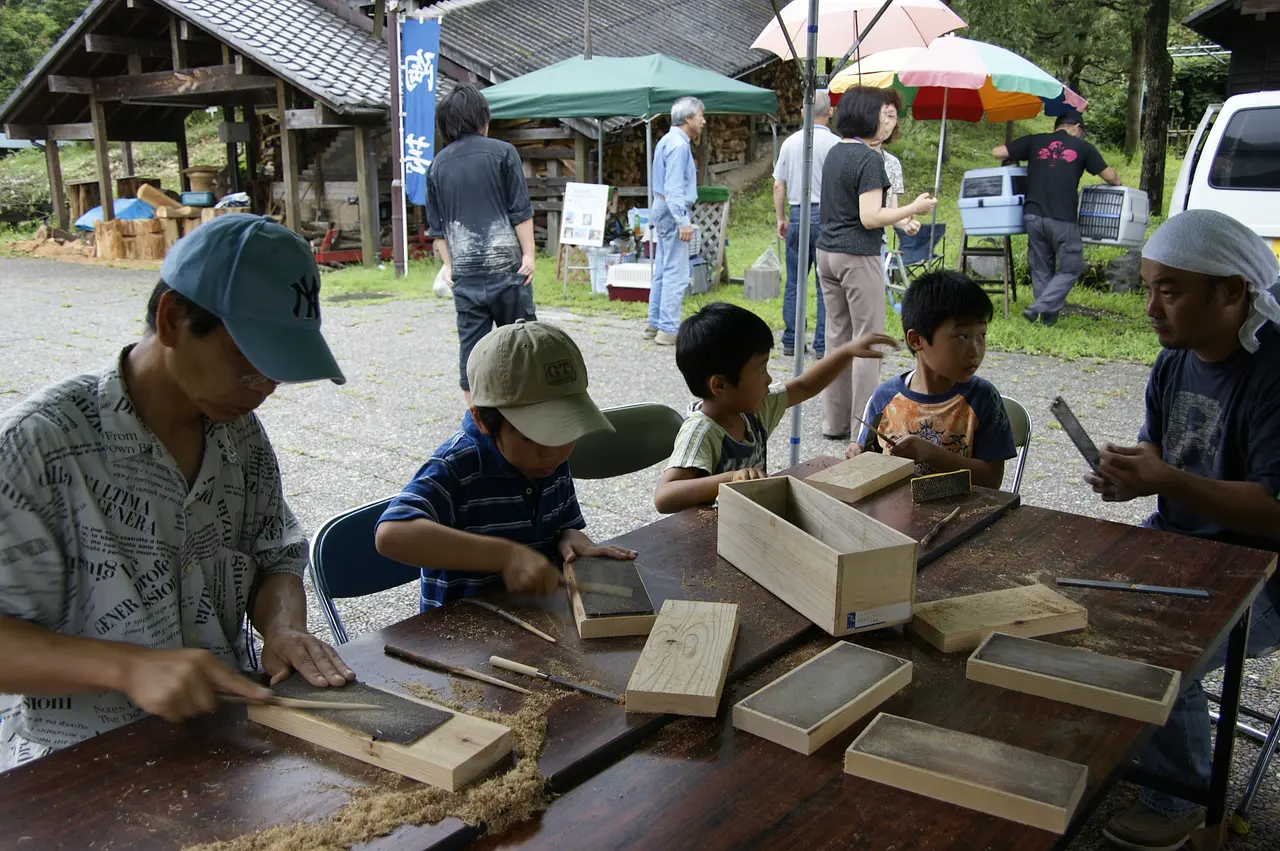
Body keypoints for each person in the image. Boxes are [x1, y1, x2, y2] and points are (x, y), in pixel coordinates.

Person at [0, 214, 355, 772]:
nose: (262, 392)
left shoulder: (237, 430)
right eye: (247, 366)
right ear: (172, 320)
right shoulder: (39, 446)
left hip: (229, 731)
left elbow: (275, 553)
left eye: (276, 374)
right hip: (79, 763)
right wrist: (127, 667)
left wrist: (283, 626)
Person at [1084, 210, 1280, 851]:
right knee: (1077, 611)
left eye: (1168, 290)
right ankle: (1134, 748)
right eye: (1147, 288)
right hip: (1180, 540)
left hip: (1265, 572)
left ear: (1231, 292)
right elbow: (1157, 454)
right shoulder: (1175, 363)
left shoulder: (1273, 375)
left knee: (1159, 646)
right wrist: (1131, 475)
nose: (1151, 308)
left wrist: (1165, 480)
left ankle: (1181, 803)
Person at [375, 321, 636, 609]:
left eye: (565, 432)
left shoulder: (550, 461)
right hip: (461, 638)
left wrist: (571, 538)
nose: (552, 452)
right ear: (482, 420)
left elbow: (563, 527)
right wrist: (506, 556)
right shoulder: (458, 467)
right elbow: (391, 535)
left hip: (536, 617)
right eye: (531, 437)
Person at [654, 303, 897, 514]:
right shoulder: (701, 431)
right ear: (719, 385)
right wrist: (730, 479)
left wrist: (846, 352)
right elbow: (664, 497)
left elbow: (804, 386)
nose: (768, 380)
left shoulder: (751, 412)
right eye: (761, 370)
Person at [817, 86, 936, 442]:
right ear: (867, 115)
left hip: (826, 255)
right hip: (857, 256)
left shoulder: (836, 152)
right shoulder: (870, 159)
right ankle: (863, 431)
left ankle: (834, 422)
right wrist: (913, 208)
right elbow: (869, 217)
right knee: (869, 342)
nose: (890, 123)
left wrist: (900, 217)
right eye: (885, 114)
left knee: (837, 340)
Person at [844, 271, 1015, 489]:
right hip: (894, 514)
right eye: (962, 336)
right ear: (917, 340)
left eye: (981, 335)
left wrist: (934, 455)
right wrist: (857, 456)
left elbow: (992, 480)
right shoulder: (886, 398)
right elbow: (868, 456)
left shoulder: (983, 399)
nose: (976, 350)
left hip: (962, 516)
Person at [426, 83, 537, 405]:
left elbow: (437, 229)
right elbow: (520, 211)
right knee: (522, 343)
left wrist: (449, 265)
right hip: (508, 270)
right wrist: (529, 254)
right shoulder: (503, 152)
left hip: (466, 276)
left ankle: (476, 416)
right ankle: (526, 410)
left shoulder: (436, 166)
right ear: (481, 118)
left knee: (472, 349)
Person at [992, 110, 1121, 326]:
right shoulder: (1083, 147)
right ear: (1077, 128)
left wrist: (1016, 156)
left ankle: (1046, 321)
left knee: (1041, 267)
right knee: (1071, 267)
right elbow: (1112, 177)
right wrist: (1117, 179)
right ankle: (1038, 307)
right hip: (1062, 218)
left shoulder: (1035, 141)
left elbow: (998, 152)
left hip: (1032, 215)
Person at [773, 90, 839, 359]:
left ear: (803, 111)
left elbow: (779, 185)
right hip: (827, 216)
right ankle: (822, 345)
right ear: (831, 112)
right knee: (826, 284)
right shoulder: (836, 144)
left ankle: (791, 340)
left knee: (795, 282)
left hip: (798, 214)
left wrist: (781, 217)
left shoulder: (790, 143)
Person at [645, 97, 706, 347]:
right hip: (672, 210)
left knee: (662, 268)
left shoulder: (667, 141)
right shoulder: (680, 146)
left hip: (661, 205)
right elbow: (674, 187)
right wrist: (683, 221)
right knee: (676, 271)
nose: (703, 121)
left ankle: (654, 324)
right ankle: (668, 329)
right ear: (688, 118)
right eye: (701, 115)